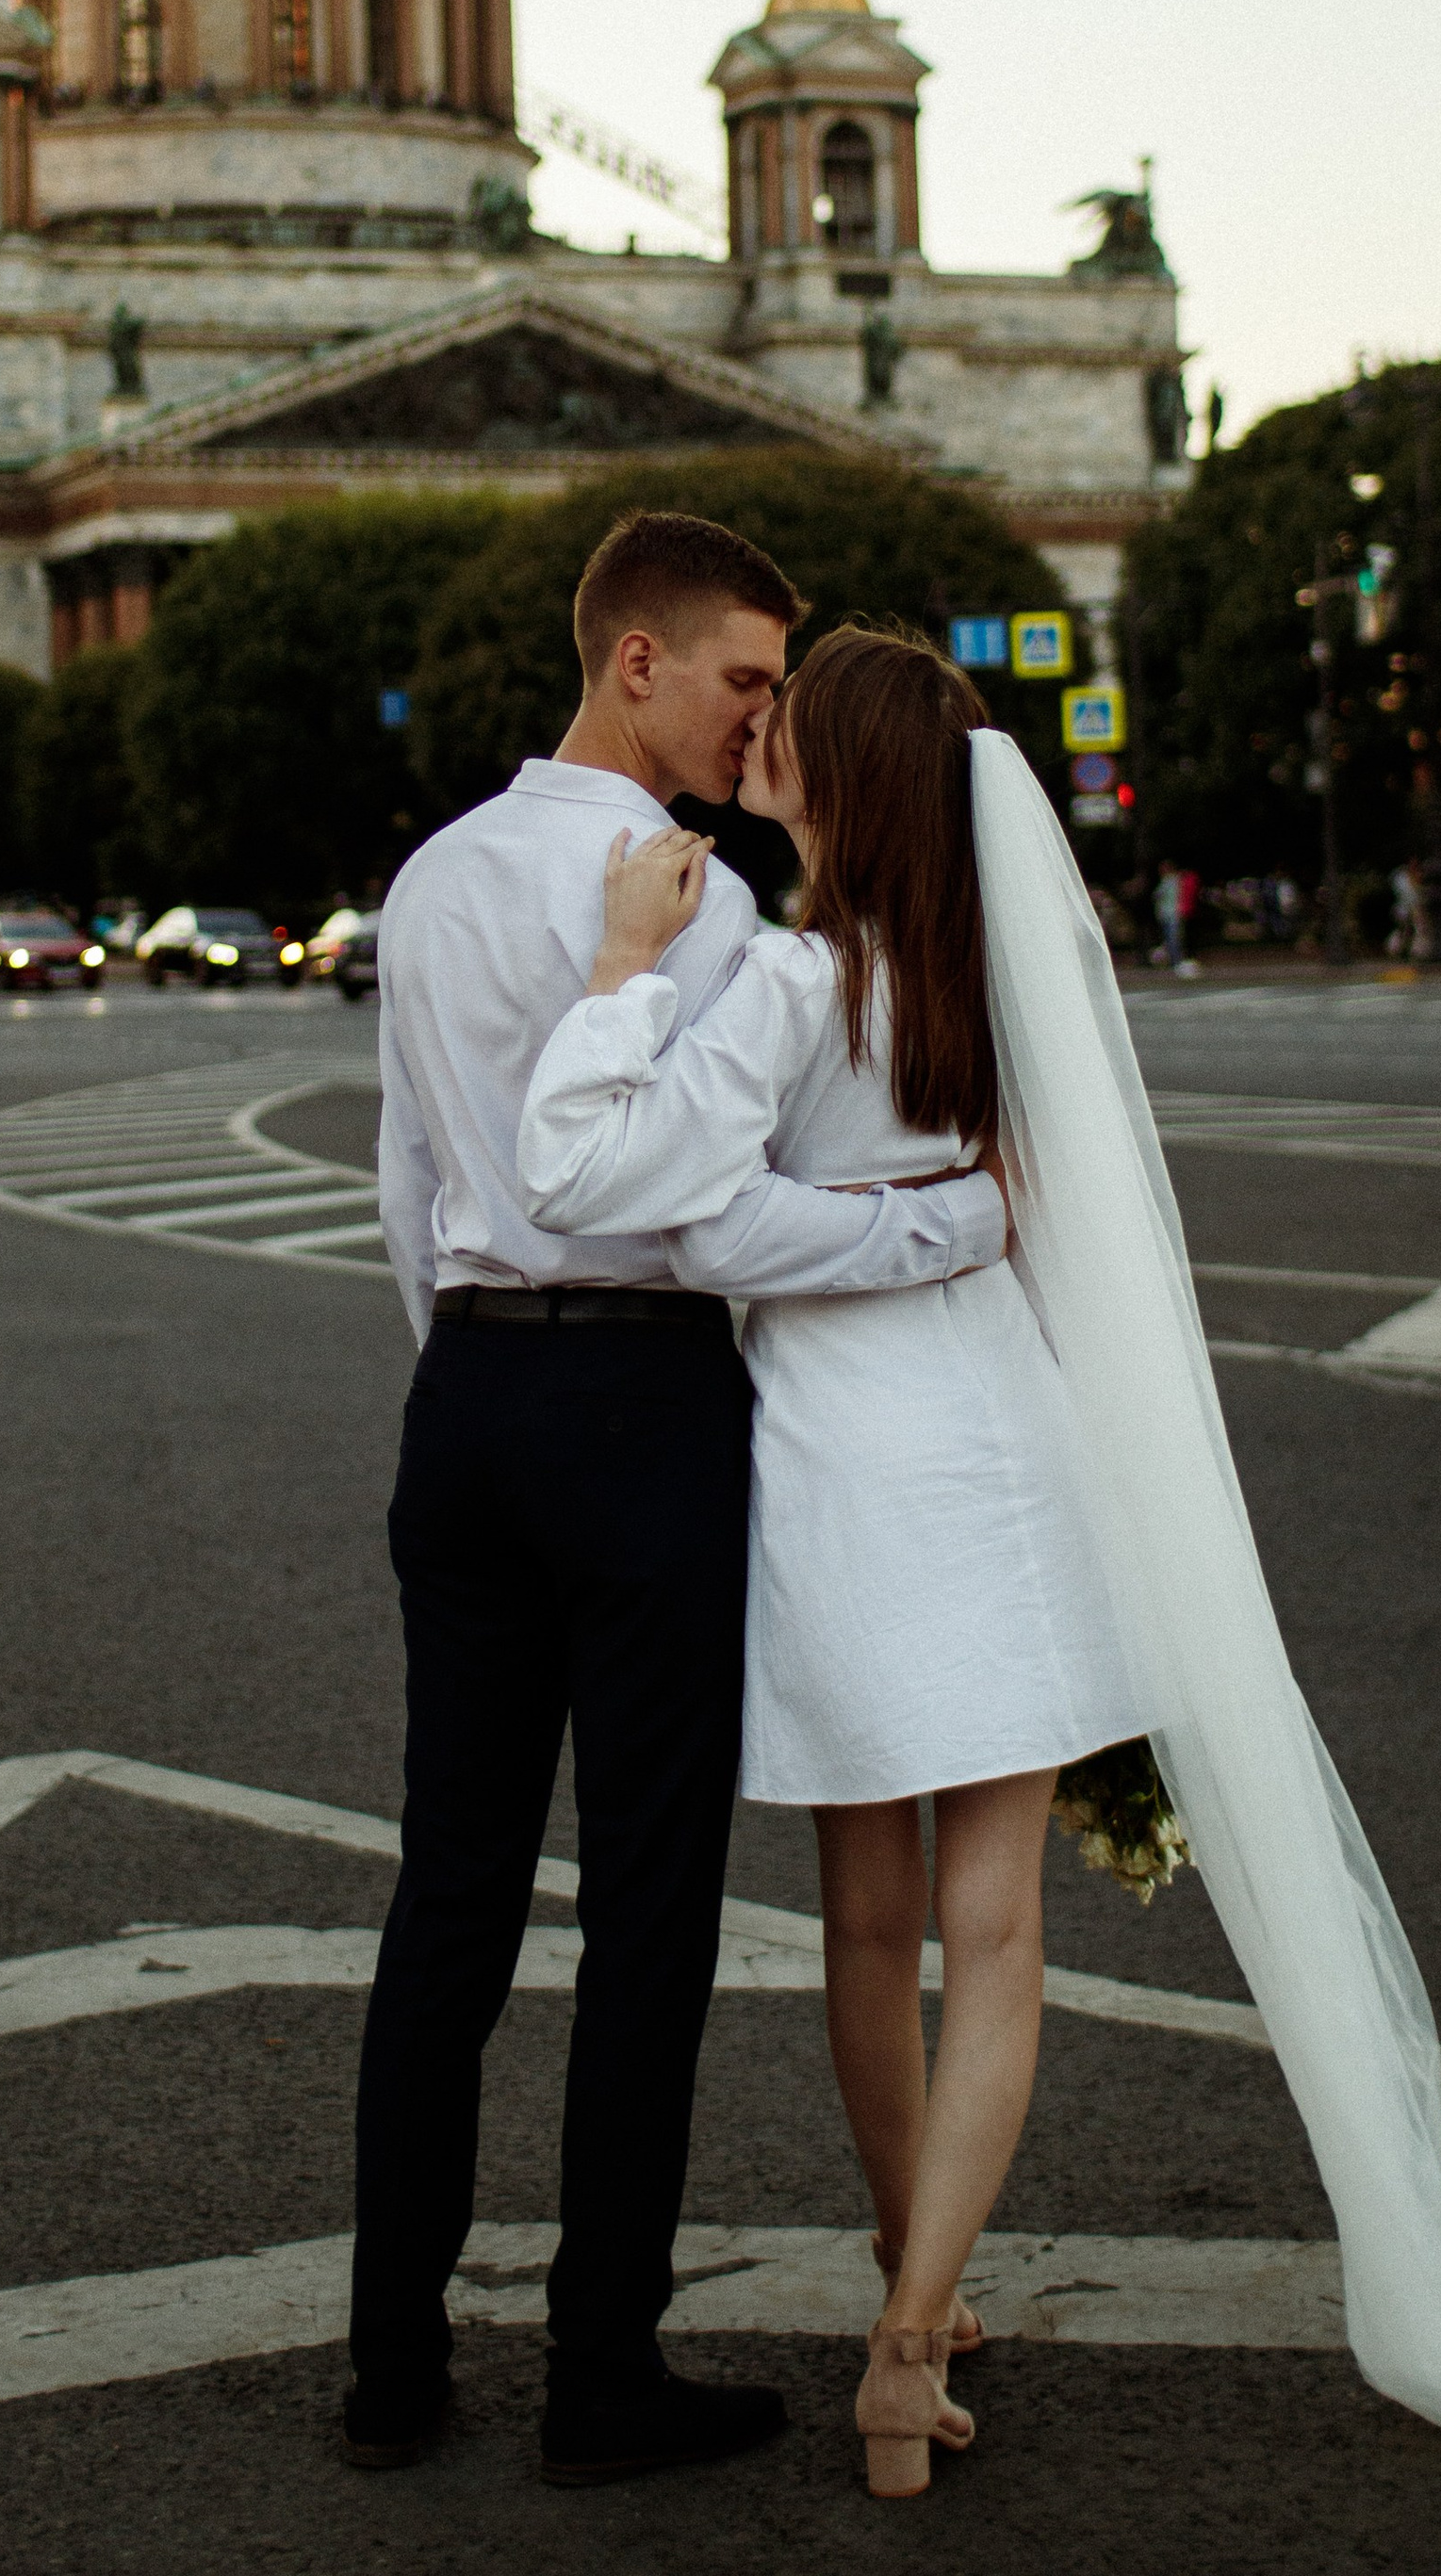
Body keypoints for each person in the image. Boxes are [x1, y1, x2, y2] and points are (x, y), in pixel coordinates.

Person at [519, 625, 1441, 2500]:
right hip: (1002, 1461)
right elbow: (1036, 1231)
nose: (757, 736)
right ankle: (911, 2327)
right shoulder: (999, 984)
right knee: (996, 1931)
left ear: (841, 778)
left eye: (788, 723)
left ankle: (905, 2280)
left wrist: (632, 983)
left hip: (839, 1474)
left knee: (864, 1923)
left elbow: (631, 1194)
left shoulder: (787, 981)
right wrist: (924, 1221)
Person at [352, 517, 1006, 2489]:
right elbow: (706, 1205)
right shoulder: (708, 912)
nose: (761, 720)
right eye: (740, 679)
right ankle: (596, 2373)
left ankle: (390, 2364)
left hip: (464, 1393)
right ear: (633, 660)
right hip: (639, 1408)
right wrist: (941, 1224)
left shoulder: (432, 873)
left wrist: (475, 1360)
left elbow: (407, 1182)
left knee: (447, 1896)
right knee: (648, 1906)